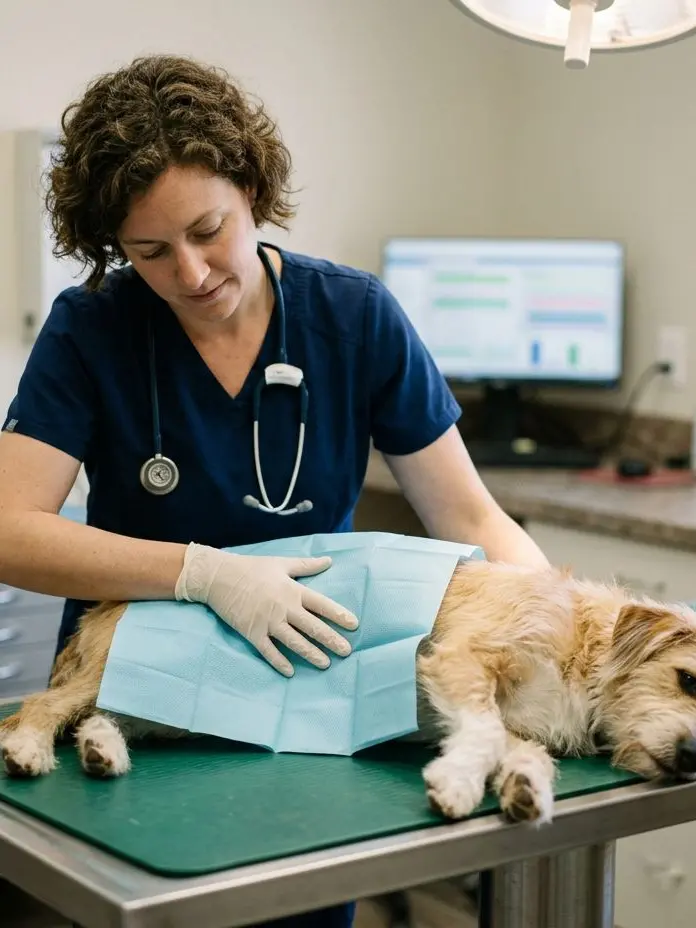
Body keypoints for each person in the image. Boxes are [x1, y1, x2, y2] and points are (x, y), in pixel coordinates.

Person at [0, 54, 548, 927]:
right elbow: (9, 531)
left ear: (253, 188)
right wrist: (205, 574)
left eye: (209, 229)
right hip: (133, 695)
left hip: (310, 696)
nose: (190, 273)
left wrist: (569, 622)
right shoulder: (93, 329)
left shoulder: (355, 318)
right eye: (149, 251)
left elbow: (472, 515)